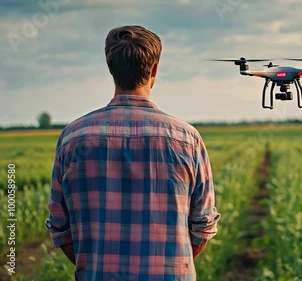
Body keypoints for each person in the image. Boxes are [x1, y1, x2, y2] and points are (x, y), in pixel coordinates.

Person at [45, 25, 220, 281]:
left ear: (111, 68)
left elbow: (61, 229)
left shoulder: (73, 138)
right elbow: (203, 227)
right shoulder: (187, 139)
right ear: (155, 69)